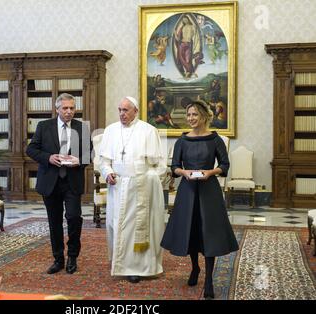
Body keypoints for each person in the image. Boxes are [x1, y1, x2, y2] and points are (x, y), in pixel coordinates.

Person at [160, 100, 238, 299]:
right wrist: (184, 172)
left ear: (204, 116)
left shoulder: (215, 139)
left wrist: (210, 172)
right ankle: (195, 268)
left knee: (209, 233)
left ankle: (210, 280)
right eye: (189, 115)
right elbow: (174, 167)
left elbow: (225, 165)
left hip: (209, 191)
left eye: (194, 115)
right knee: (191, 231)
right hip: (187, 190)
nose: (191, 119)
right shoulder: (182, 140)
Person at [99, 96, 167, 284]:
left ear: (135, 111)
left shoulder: (148, 131)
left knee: (137, 228)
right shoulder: (111, 131)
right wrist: (108, 173)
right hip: (118, 187)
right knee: (116, 225)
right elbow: (103, 162)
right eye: (120, 110)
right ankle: (120, 262)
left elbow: (159, 165)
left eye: (126, 110)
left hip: (140, 188)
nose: (122, 114)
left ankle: (137, 267)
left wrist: (146, 177)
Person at [26, 93, 92, 275]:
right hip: (50, 182)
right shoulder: (43, 126)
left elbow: (89, 153)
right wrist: (48, 157)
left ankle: (72, 257)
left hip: (72, 181)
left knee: (73, 218)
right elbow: (31, 149)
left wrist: (80, 160)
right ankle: (58, 259)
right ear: (57, 109)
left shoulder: (82, 127)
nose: (69, 111)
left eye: (72, 108)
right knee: (54, 222)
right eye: (65, 108)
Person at [173, 14, 203, 79]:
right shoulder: (182, 28)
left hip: (188, 44)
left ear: (188, 19)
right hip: (182, 44)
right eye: (183, 20)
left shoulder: (192, 26)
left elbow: (195, 33)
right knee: (182, 58)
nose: (184, 20)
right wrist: (175, 33)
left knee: (187, 59)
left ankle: (189, 72)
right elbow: (178, 39)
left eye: (185, 19)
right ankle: (189, 72)